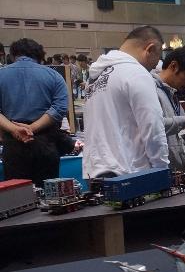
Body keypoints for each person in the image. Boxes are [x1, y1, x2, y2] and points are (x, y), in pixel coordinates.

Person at [83, 26, 168, 179]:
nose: (154, 67)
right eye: (156, 59)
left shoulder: (96, 76)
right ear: (150, 49)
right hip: (129, 172)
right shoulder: (136, 73)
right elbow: (153, 126)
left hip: (95, 171)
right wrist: (161, 170)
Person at [0, 38, 69, 184]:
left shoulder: (1, 74)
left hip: (13, 144)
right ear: (39, 56)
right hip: (45, 142)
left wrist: (14, 129)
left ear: (12, 55)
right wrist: (32, 128)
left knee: (18, 193)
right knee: (48, 191)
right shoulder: (54, 76)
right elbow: (60, 108)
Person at [152, 45, 185, 172]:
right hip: (160, 169)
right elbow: (154, 125)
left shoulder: (173, 95)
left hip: (176, 171)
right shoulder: (151, 90)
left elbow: (179, 137)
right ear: (174, 66)